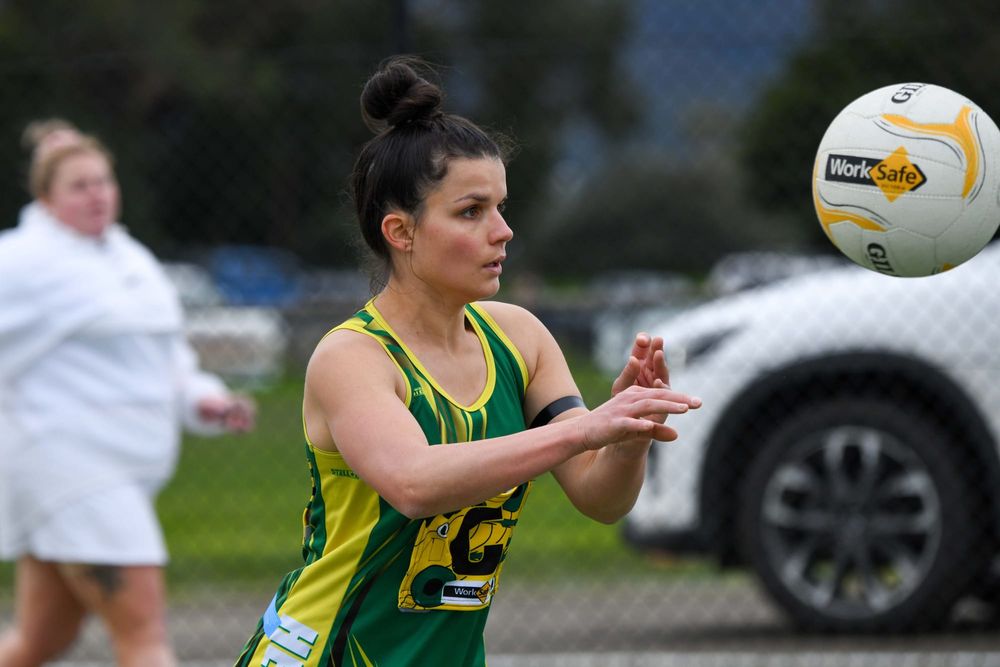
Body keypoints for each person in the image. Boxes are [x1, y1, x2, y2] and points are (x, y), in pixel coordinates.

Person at [234, 56, 700, 667]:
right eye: (471, 211)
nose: (503, 231)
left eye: (502, 207)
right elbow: (414, 483)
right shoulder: (353, 357)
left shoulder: (519, 337)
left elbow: (600, 499)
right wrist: (583, 430)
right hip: (331, 653)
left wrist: (625, 436)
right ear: (400, 232)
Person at [0, 120, 256, 667]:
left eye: (103, 182)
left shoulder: (129, 261)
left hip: (120, 475)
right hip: (74, 476)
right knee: (145, 640)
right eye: (79, 186)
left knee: (38, 643)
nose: (97, 195)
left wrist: (204, 399)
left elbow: (170, 365)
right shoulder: (20, 263)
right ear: (46, 200)